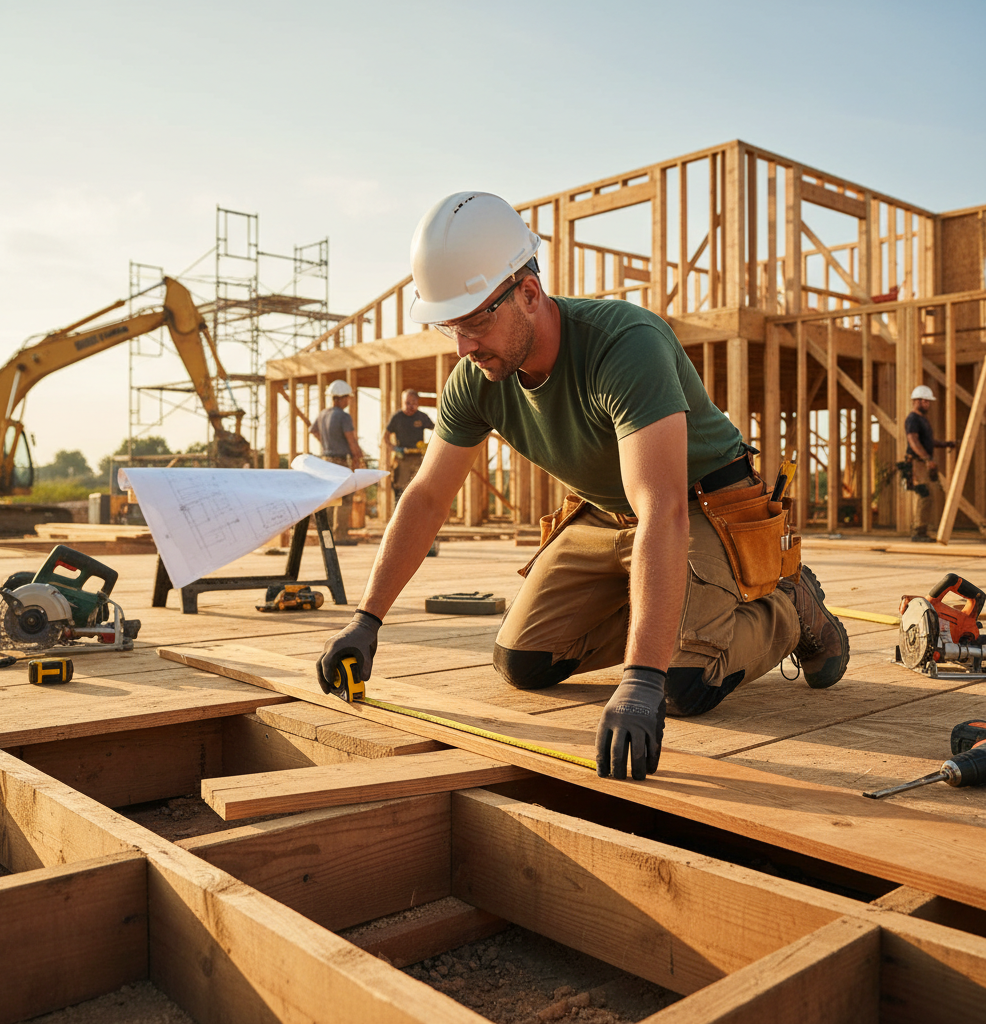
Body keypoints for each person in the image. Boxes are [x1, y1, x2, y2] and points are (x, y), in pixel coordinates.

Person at [317, 191, 850, 781]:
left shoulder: (624, 345)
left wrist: (641, 679)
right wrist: (367, 620)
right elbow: (425, 498)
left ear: (528, 293)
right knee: (524, 660)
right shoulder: (477, 379)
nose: (464, 347)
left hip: (703, 505)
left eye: (475, 321)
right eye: (450, 326)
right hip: (607, 516)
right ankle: (675, 618)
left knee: (682, 684)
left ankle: (790, 605)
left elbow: (664, 510)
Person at [310, 379, 365, 543]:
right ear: (341, 398)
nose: (348, 401)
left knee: (329, 498)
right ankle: (340, 535)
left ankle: (326, 536)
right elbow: (351, 440)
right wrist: (358, 457)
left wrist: (327, 444)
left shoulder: (323, 414)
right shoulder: (344, 416)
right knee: (345, 497)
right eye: (347, 397)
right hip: (340, 462)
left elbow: (313, 431)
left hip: (325, 460)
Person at [904, 385, 956, 542]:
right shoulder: (912, 419)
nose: (927, 404)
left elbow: (928, 442)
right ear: (916, 401)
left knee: (928, 495)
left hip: (922, 461)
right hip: (917, 462)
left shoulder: (922, 420)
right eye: (924, 401)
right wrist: (927, 459)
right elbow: (913, 441)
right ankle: (919, 532)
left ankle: (921, 529)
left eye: (928, 402)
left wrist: (946, 444)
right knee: (925, 494)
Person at [383, 389, 435, 505]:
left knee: (419, 487)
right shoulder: (397, 417)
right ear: (402, 402)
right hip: (402, 458)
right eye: (407, 403)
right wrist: (394, 449)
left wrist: (430, 446)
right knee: (401, 488)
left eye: (413, 403)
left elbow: (437, 430)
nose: (410, 406)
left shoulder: (422, 417)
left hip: (418, 458)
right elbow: (385, 437)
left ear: (418, 403)